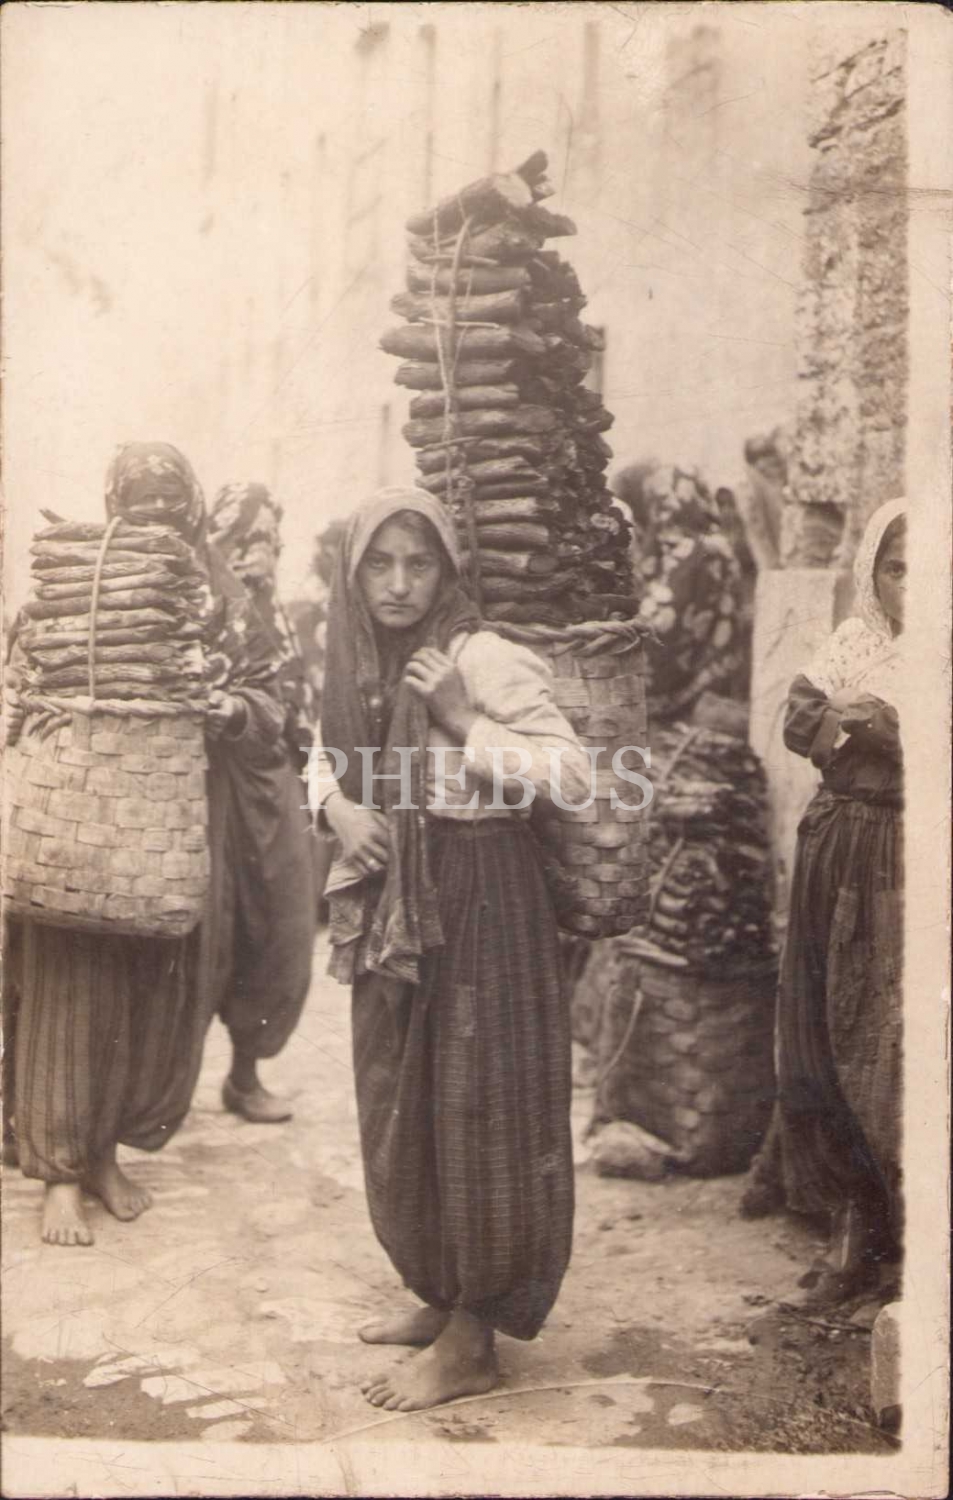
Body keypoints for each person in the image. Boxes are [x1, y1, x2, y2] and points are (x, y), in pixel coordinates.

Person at [309, 487, 590, 1412]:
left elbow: (572, 775)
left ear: (447, 570)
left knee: (481, 1107)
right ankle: (438, 1292)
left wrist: (466, 720)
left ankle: (475, 1337)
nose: (398, 584)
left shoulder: (479, 655)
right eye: (379, 564)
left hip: (483, 896)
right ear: (353, 574)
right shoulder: (355, 655)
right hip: (397, 903)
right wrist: (339, 809)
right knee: (401, 1096)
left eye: (418, 563)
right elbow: (320, 754)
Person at [6, 443, 285, 1246]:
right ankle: (59, 1174)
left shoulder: (219, 599)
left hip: (176, 822)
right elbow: (20, 688)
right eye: (139, 502)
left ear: (192, 508)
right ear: (113, 506)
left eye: (170, 503)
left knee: (152, 989)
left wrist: (229, 709)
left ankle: (103, 1154)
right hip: (78, 816)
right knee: (68, 979)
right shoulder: (77, 593)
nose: (156, 516)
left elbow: (270, 703)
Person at [772, 500, 906, 1306]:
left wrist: (885, 727)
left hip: (904, 854)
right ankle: (850, 1223)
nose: (911, 588)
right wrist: (839, 718)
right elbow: (798, 716)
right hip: (833, 843)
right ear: (871, 576)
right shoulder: (853, 641)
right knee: (820, 1025)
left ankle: (906, 1227)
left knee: (882, 1034)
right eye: (895, 570)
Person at [208, 482, 317, 1123]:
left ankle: (244, 1075)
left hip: (275, 789)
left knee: (280, 931)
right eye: (244, 539)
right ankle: (155, 1091)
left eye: (270, 541)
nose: (259, 554)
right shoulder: (199, 609)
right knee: (208, 933)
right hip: (212, 786)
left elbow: (301, 710)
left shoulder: (282, 620)